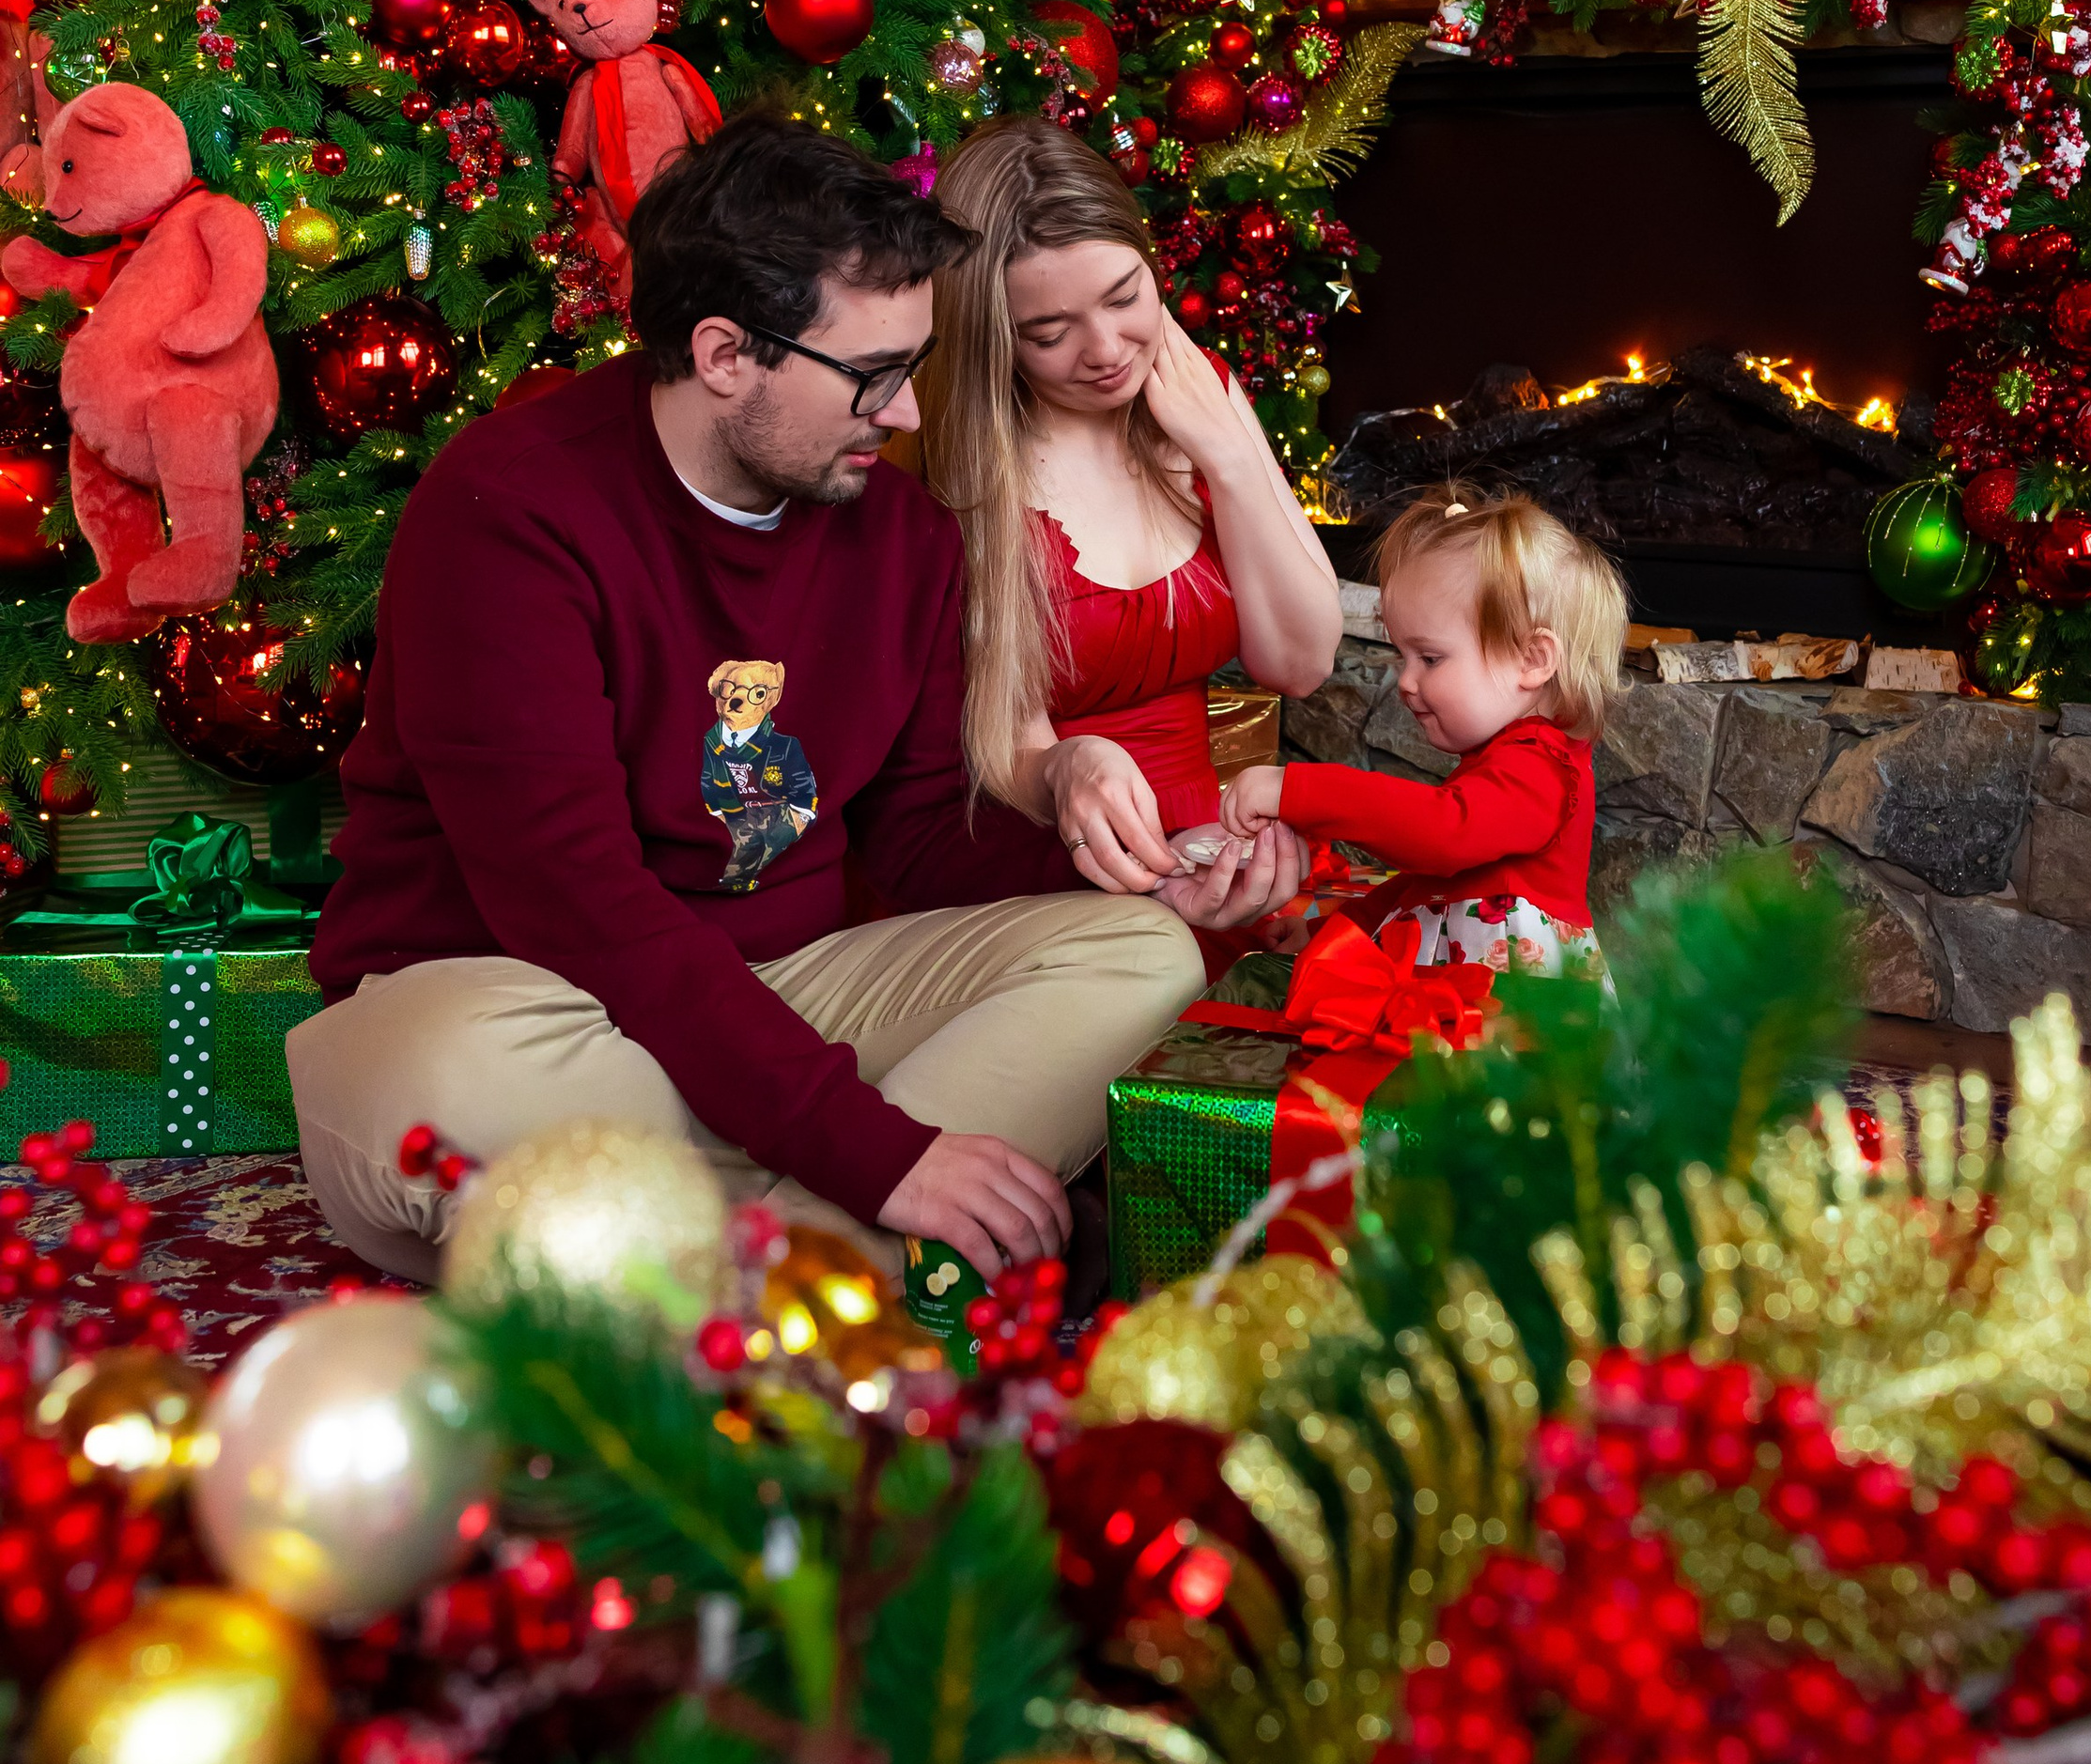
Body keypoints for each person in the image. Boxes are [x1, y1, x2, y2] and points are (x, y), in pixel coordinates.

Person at [288, 113, 1303, 1284]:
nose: (910, 416)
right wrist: (881, 1154)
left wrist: (1162, 866)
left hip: (783, 996)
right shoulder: (509, 510)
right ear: (725, 354)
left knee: (1140, 952)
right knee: (451, 1081)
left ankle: (725, 1276)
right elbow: (579, 909)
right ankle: (855, 1251)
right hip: (525, 996)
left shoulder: (901, 536)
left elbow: (919, 841)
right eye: (873, 377)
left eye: (913, 369)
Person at [919, 117, 1342, 893]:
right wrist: (1071, 767)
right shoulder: (966, 473)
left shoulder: (1198, 390)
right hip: (1046, 857)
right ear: (995, 340)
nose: (1109, 350)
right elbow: (1003, 747)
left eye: (1124, 298)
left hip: (1204, 838)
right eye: (1049, 332)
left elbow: (1300, 663)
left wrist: (1229, 458)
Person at [1221, 485, 1624, 975]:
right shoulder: (1508, 757)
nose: (1406, 681)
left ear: (1531, 659)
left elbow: (1441, 836)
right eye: (1400, 656)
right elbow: (1426, 882)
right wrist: (1327, 933)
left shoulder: (1543, 768)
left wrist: (1297, 788)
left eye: (1430, 658)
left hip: (1518, 1028)